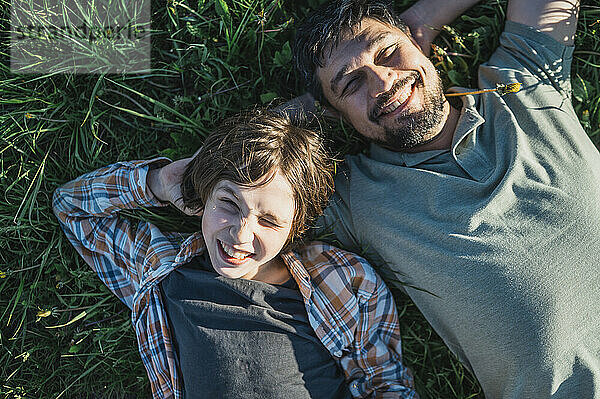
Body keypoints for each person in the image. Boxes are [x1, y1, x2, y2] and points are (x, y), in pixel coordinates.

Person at [286, 0, 600, 398]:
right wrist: (307, 111)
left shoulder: (521, 85)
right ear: (337, 114)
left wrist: (423, 20)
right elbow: (195, 184)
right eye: (351, 84)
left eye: (388, 52)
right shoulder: (358, 199)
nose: (383, 82)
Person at [52, 109, 418, 399]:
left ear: (295, 228)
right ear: (203, 195)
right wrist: (160, 183)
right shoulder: (162, 266)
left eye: (270, 220)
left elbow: (385, 384)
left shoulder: (343, 281)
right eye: (228, 203)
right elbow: (72, 208)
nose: (240, 234)